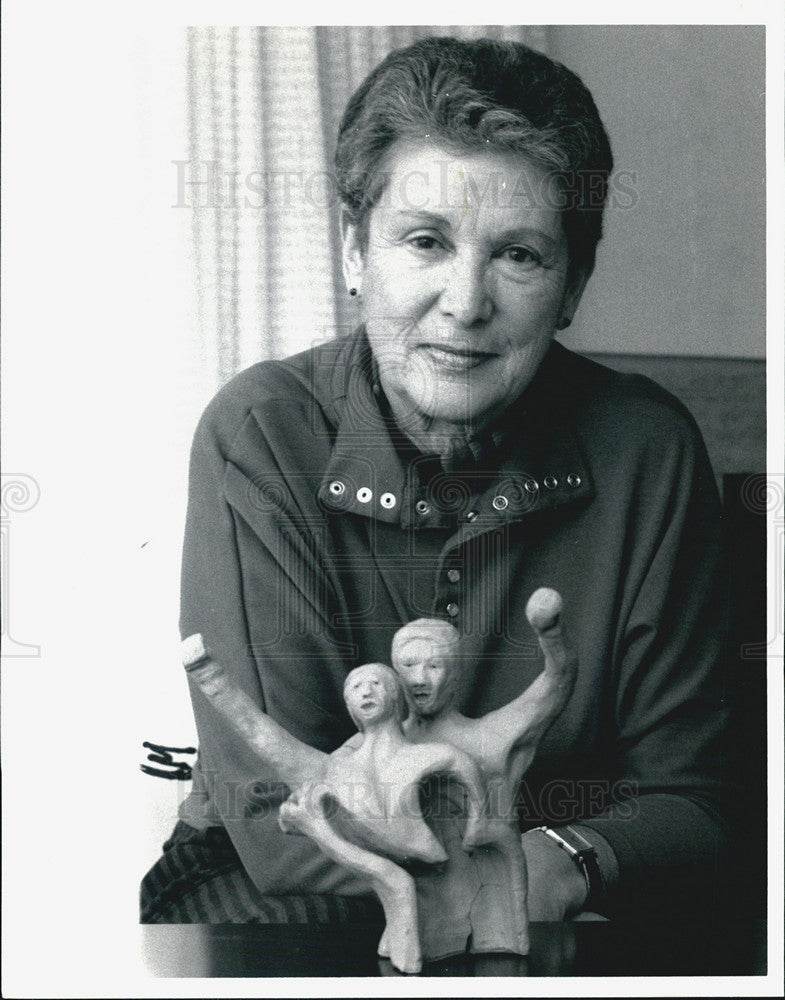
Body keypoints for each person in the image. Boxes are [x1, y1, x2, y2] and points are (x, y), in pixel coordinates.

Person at [142, 36, 731, 927]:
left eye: (519, 255)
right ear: (353, 253)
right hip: (284, 895)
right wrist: (492, 886)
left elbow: (694, 800)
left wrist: (558, 862)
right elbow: (282, 823)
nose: (465, 302)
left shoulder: (647, 450)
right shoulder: (258, 433)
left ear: (570, 286)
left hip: (559, 886)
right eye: (425, 240)